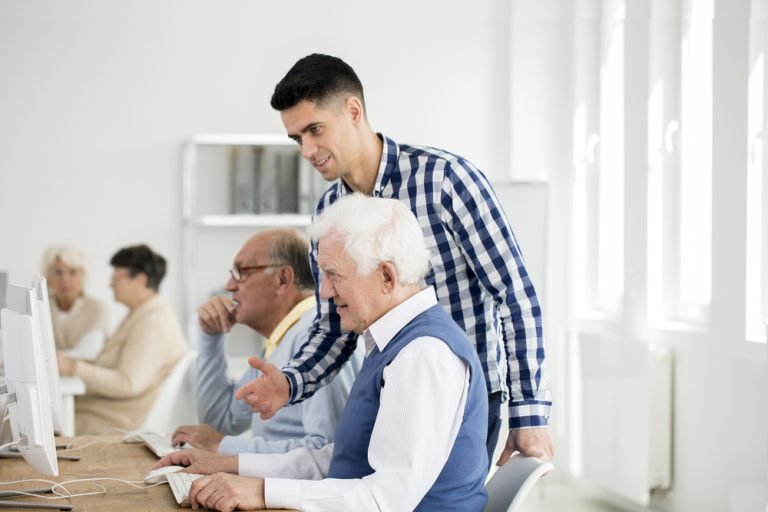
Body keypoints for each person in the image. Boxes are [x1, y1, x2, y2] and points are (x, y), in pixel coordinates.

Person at [236, 53, 553, 466]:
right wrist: (290, 383)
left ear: (354, 111)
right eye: (297, 138)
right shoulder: (328, 211)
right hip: (390, 394)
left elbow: (514, 295)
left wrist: (527, 412)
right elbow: (332, 327)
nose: (308, 150)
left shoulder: (445, 180)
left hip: (467, 398)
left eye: (315, 130)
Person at [155, 195, 489, 511]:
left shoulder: (423, 354)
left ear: (386, 276)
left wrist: (259, 490)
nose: (325, 292)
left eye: (333, 275)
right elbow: (343, 459)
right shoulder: (395, 341)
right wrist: (230, 463)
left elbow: (383, 501)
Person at [170, 229, 361, 455]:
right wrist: (211, 336)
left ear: (283, 279)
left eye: (242, 272)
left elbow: (328, 452)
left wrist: (222, 446)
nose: (229, 285)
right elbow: (220, 421)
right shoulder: (283, 339)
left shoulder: (317, 341)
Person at [57, 244, 186, 435]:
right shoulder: (141, 315)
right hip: (100, 411)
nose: (111, 284)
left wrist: (72, 367)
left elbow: (128, 383)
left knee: (25, 424)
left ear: (140, 280)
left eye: (116, 277)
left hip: (110, 422)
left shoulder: (153, 323)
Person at [42, 245, 109, 361]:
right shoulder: (39, 307)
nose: (65, 279)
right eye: (58, 272)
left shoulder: (96, 308)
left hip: (82, 378)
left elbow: (89, 353)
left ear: (83, 276)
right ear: (49, 277)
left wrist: (46, 357)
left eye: (72, 273)